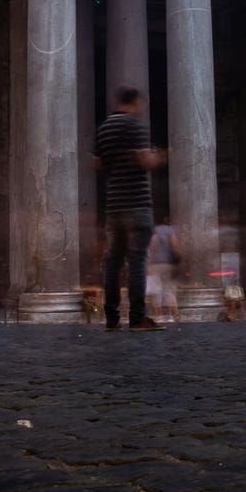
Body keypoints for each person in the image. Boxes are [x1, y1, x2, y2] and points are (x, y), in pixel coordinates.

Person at [94, 86, 167, 332]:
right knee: (137, 259)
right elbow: (144, 160)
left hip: (113, 204)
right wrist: (160, 157)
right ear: (135, 103)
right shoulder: (134, 127)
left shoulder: (104, 128)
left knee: (113, 261)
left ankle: (112, 317)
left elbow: (96, 163)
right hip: (136, 202)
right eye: (141, 104)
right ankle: (137, 318)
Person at [146, 221, 181, 323]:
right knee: (168, 290)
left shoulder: (154, 230)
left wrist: (149, 263)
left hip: (157, 264)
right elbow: (175, 245)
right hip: (168, 263)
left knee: (156, 292)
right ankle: (175, 314)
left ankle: (159, 316)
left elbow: (153, 245)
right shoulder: (170, 230)